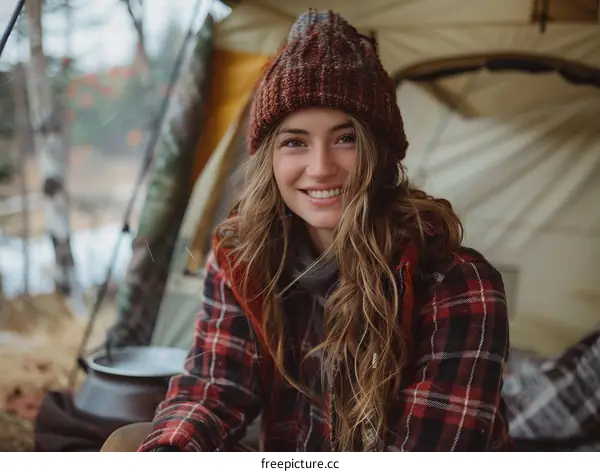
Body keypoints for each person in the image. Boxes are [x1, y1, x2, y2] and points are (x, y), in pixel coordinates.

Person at [111, 9, 512, 452]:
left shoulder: (457, 283)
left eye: (346, 138)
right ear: (270, 160)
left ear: (379, 153)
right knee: (131, 445)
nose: (320, 169)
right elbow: (215, 389)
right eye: (295, 141)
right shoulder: (243, 257)